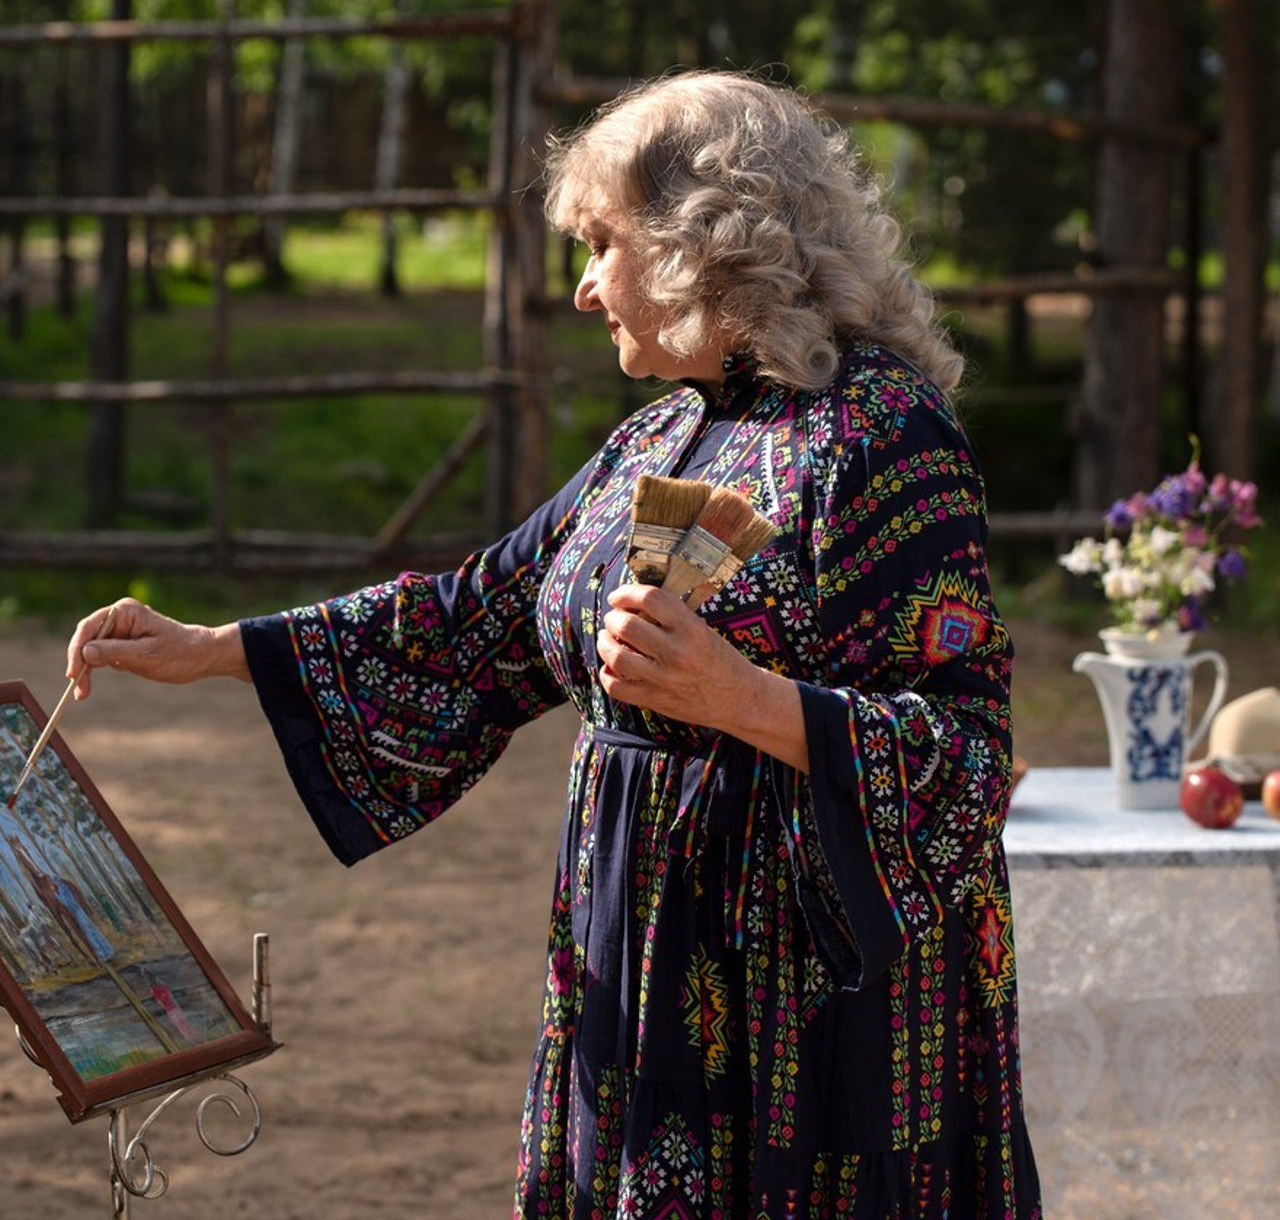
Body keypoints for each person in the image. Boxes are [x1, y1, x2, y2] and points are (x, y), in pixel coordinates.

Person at [67, 71, 1041, 1219]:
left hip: (804, 1001)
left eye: (599, 244)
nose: (582, 289)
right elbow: (478, 615)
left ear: (694, 242)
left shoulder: (882, 433)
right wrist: (215, 646)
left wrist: (743, 698)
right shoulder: (661, 434)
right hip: (634, 956)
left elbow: (967, 756)